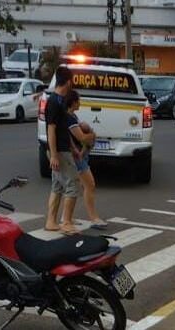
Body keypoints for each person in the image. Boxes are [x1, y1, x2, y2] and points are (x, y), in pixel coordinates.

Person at [44, 67, 81, 235]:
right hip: (58, 151)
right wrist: (54, 154)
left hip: (63, 149)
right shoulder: (53, 102)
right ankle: (66, 222)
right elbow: (51, 130)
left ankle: (51, 221)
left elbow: (63, 128)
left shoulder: (60, 100)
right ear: (68, 81)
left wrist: (73, 147)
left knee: (57, 185)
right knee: (72, 183)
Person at [66, 90, 107, 229]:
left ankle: (68, 217)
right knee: (89, 185)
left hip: (79, 155)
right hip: (76, 157)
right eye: (78, 100)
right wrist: (92, 134)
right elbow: (80, 138)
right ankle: (93, 218)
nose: (80, 102)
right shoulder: (70, 119)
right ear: (73, 102)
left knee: (76, 186)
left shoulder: (72, 116)